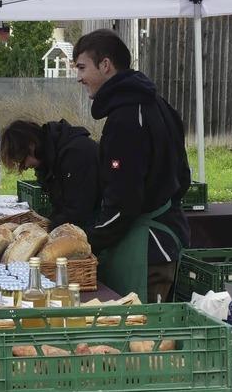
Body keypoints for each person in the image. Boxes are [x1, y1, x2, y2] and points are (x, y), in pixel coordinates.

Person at [73, 29, 191, 303]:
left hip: (148, 248)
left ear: (105, 65)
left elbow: (124, 200)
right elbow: (183, 177)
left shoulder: (126, 118)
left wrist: (87, 243)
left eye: (82, 67)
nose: (78, 77)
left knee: (143, 338)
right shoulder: (160, 104)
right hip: (166, 242)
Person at [0, 119, 100, 229]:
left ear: (31, 145)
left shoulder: (76, 154)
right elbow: (59, 207)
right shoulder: (47, 164)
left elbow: (79, 210)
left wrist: (48, 227)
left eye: (23, 160)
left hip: (100, 226)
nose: (25, 167)